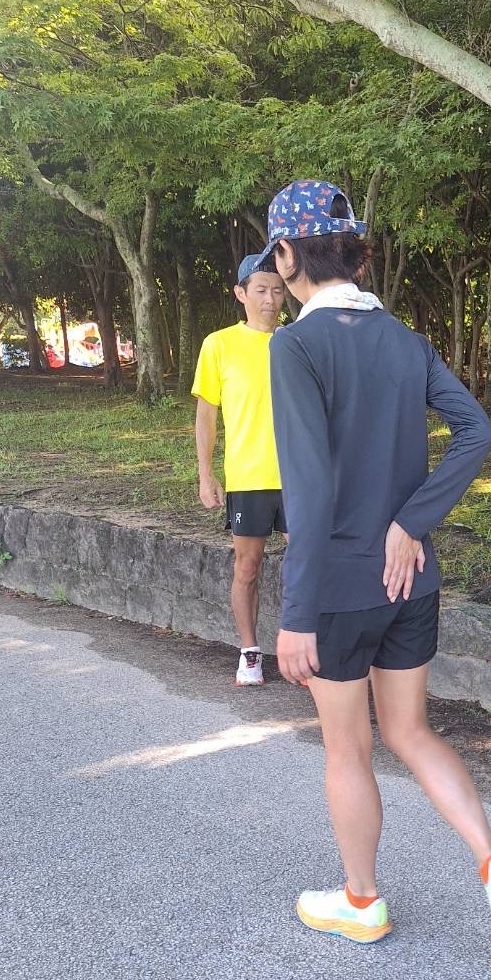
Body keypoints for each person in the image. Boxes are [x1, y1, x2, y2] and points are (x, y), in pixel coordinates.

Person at [262, 178, 491, 958]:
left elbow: (308, 490)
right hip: (411, 578)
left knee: (348, 749)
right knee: (411, 730)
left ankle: (362, 900)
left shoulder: (295, 346)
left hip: (340, 589)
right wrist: (411, 522)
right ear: (352, 251)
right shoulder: (406, 340)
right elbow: (475, 431)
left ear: (287, 256)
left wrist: (295, 615)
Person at [193, 254, 288, 686]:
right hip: (249, 476)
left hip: (300, 477)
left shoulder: (297, 340)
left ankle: (305, 648)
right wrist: (206, 473)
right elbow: (206, 415)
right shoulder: (219, 344)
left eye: (278, 289)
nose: (271, 299)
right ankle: (250, 652)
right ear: (241, 293)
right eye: (261, 290)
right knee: (247, 568)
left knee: (308, 566)